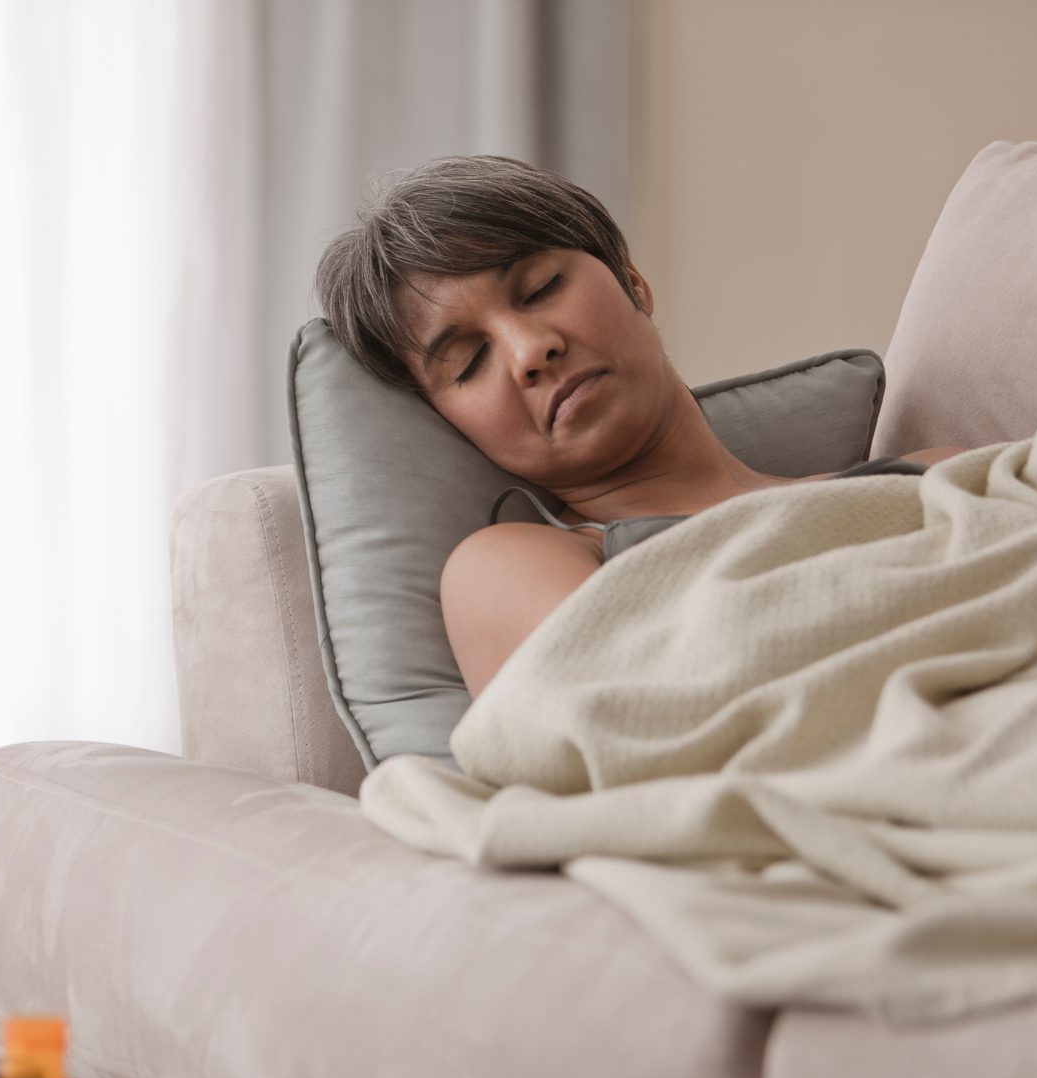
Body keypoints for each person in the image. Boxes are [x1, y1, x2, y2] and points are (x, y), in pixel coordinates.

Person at [314, 155, 967, 696]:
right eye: (470, 361)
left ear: (633, 282)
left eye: (540, 289)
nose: (528, 350)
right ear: (454, 426)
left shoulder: (938, 477)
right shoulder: (512, 566)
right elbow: (629, 732)